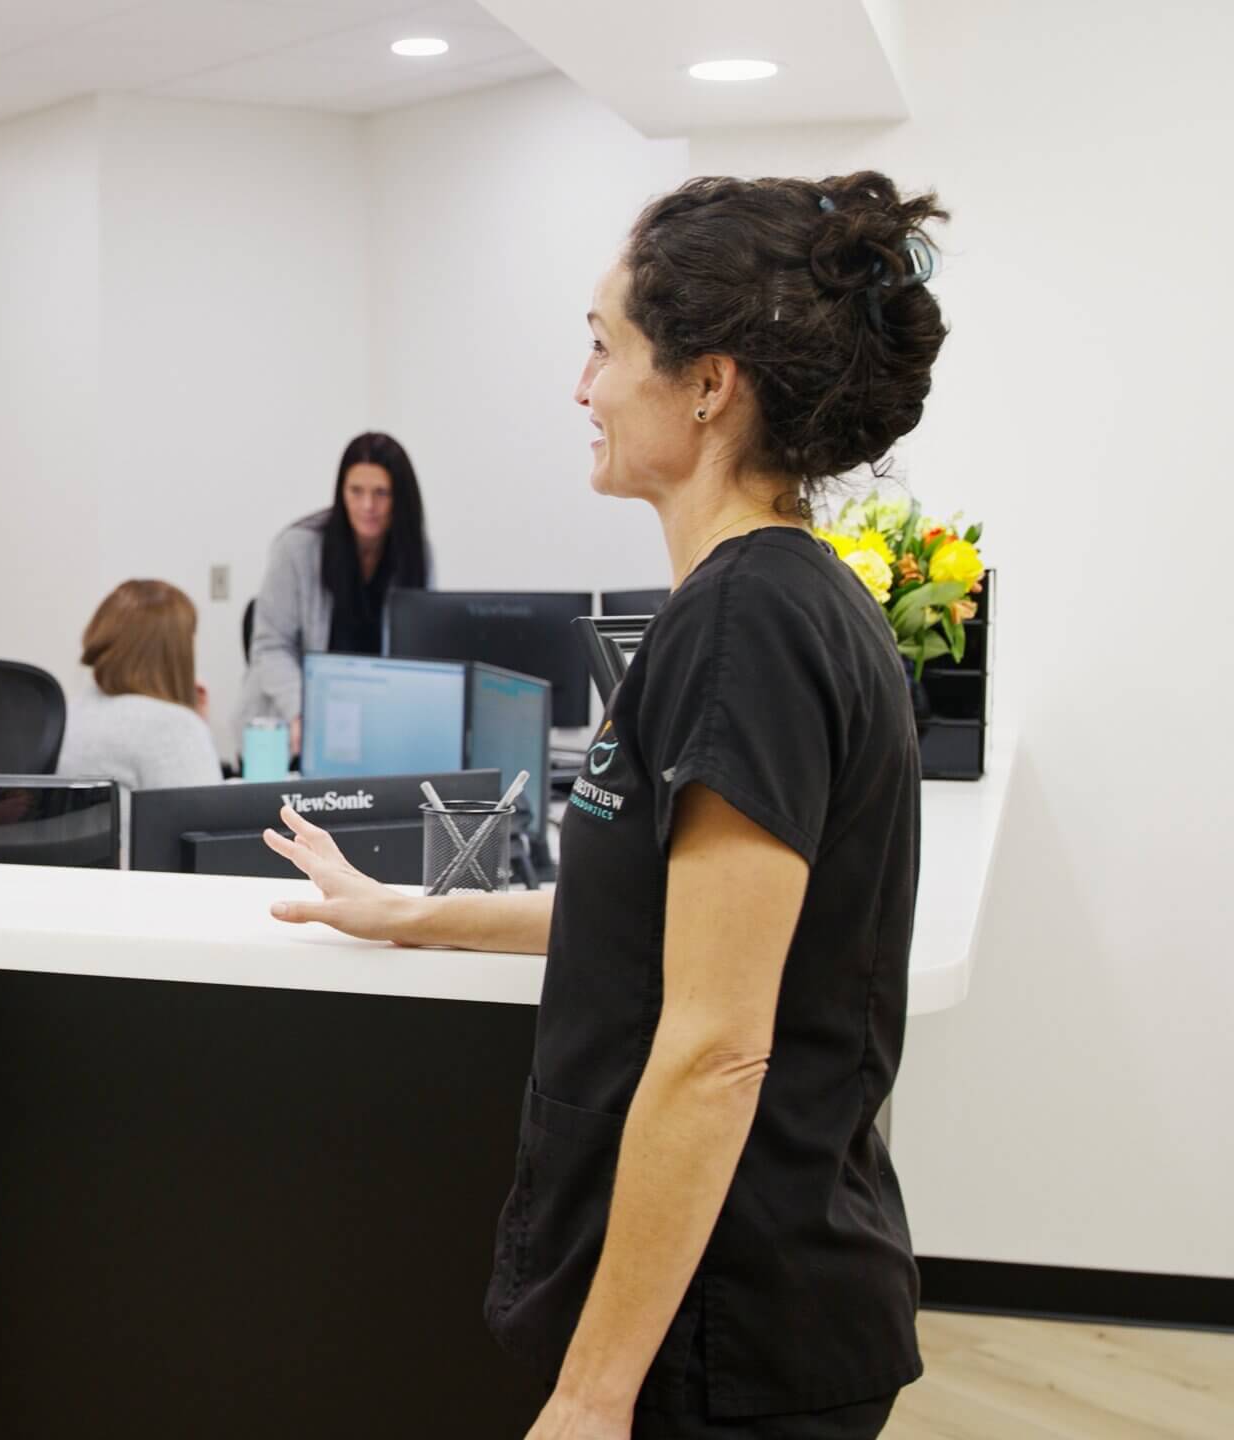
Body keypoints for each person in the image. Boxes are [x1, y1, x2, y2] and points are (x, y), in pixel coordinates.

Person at [263, 171, 949, 1439]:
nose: (581, 388)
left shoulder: (748, 622)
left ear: (707, 383)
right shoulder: (779, 604)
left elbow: (715, 1043)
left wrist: (592, 1391)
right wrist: (408, 915)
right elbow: (651, 917)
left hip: (725, 1331)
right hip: (740, 1310)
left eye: (602, 345)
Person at [234, 431, 433, 750]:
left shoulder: (416, 554)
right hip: (291, 729)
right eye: (356, 491)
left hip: (376, 726)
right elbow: (270, 647)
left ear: (401, 497)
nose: (367, 505)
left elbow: (422, 652)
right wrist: (303, 714)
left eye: (381, 493)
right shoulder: (297, 547)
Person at [56, 579, 223, 792]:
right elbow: (208, 816)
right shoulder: (174, 727)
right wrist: (194, 726)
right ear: (176, 651)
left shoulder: (69, 712)